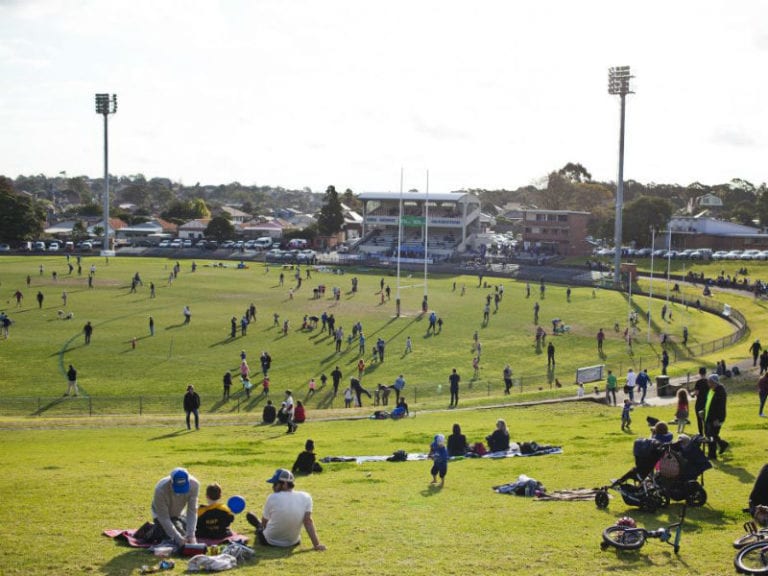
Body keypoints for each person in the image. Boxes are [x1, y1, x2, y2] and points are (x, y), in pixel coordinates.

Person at [245, 468, 326, 551]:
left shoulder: (272, 497)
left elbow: (265, 522)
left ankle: (257, 525)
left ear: (284, 484)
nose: (273, 487)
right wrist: (317, 545)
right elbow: (308, 521)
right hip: (293, 542)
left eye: (275, 484)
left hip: (270, 541)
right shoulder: (306, 497)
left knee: (260, 528)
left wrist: (262, 529)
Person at [148, 467, 200, 547]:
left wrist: (191, 535)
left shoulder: (194, 485)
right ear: (171, 482)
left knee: (193, 530)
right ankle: (150, 531)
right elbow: (164, 517)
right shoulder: (160, 489)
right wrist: (178, 538)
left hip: (179, 514)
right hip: (160, 515)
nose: (180, 493)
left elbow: (192, 511)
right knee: (176, 535)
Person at [704, 373, 729, 460]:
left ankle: (712, 455)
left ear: (714, 382)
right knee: (711, 435)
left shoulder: (720, 393)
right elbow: (709, 403)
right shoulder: (712, 391)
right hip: (709, 417)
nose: (708, 384)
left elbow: (721, 408)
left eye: (710, 382)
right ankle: (722, 444)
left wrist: (719, 419)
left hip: (715, 419)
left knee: (711, 436)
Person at [691, 366, 709, 435]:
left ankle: (701, 433)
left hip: (699, 403)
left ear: (699, 373)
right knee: (705, 419)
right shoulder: (708, 381)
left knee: (699, 419)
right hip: (706, 402)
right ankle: (707, 432)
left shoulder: (698, 382)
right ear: (705, 373)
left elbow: (696, 393)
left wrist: (692, 394)